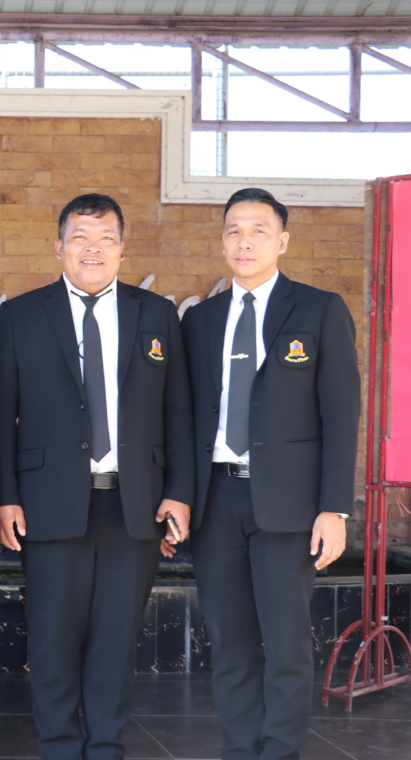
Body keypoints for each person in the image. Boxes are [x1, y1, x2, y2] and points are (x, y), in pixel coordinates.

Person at [0, 193, 195, 760]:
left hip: (135, 504)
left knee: (115, 639)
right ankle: (58, 746)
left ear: (123, 249)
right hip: (48, 502)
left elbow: (179, 411)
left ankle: (105, 746)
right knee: (53, 639)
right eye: (80, 237)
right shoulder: (21, 314)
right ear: (59, 246)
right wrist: (5, 497)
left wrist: (179, 492)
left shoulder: (157, 314)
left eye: (105, 238)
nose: (92, 248)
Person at [182, 188, 360, 760]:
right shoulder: (200, 320)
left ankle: (279, 751)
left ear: (282, 241)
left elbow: (341, 414)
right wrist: (178, 497)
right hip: (215, 501)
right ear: (222, 241)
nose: (245, 241)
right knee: (229, 644)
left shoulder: (319, 309)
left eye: (259, 230)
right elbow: (184, 416)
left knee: (285, 644)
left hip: (289, 504)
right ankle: (240, 749)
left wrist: (334, 508)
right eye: (234, 230)